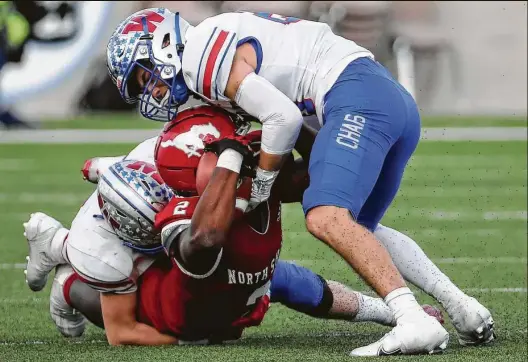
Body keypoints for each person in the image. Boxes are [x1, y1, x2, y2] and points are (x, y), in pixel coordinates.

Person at [105, 8, 494, 355]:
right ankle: (464, 309)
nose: (152, 91)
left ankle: (412, 319)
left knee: (325, 216)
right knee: (359, 228)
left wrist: (262, 182)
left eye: (145, 76)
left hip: (356, 95)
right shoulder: (211, 44)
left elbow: (284, 118)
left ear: (162, 45)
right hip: (384, 96)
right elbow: (291, 115)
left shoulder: (199, 58)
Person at [23, 129, 443, 345]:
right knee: (94, 276)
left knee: (283, 280)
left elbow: (315, 173)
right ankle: (61, 262)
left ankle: (392, 311)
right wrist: (190, 341)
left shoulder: (255, 181)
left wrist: (290, 121)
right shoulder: (185, 219)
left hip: (215, 285)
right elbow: (122, 334)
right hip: (164, 309)